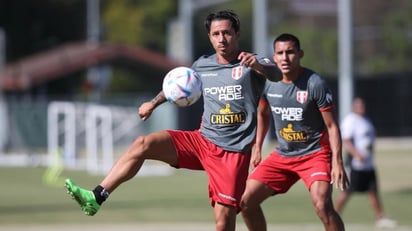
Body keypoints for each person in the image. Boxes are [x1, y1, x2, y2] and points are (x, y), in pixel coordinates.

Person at [64, 10, 280, 231]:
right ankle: (97, 196)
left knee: (223, 222)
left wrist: (257, 66)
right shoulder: (201, 65)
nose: (221, 38)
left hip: (232, 154)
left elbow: (277, 74)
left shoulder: (252, 62)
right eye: (216, 34)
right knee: (143, 144)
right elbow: (177, 87)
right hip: (202, 142)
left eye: (227, 33)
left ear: (237, 34)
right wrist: (153, 103)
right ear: (210, 37)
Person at [240, 33, 348, 231]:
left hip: (315, 154)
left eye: (290, 52)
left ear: (300, 54)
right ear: (274, 57)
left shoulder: (315, 83)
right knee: (245, 201)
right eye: (280, 53)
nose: (285, 58)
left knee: (323, 206)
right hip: (283, 155)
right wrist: (257, 147)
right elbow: (262, 114)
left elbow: (332, 126)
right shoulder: (267, 81)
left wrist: (337, 162)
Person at [334, 97, 397, 228]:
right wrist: (357, 154)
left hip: (368, 164)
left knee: (373, 190)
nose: (362, 108)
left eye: (363, 105)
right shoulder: (350, 120)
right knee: (347, 191)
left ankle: (381, 217)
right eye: (359, 106)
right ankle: (333, 215)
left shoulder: (366, 120)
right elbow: (346, 140)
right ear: (354, 107)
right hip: (356, 164)